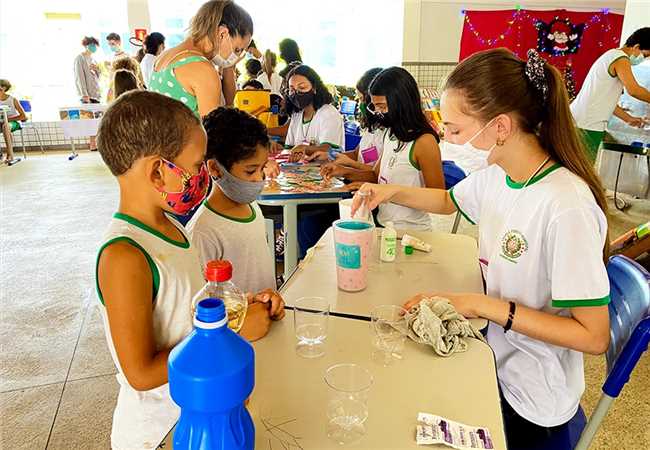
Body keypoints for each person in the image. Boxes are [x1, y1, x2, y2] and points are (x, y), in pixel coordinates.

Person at [352, 49, 610, 450]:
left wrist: (481, 305)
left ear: (501, 127)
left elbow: (594, 336)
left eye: (454, 130)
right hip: (495, 362)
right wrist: (388, 190)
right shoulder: (497, 176)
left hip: (534, 402)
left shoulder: (564, 206)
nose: (446, 139)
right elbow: (446, 201)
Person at [95, 91, 284, 450]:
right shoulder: (125, 256)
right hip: (159, 431)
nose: (202, 175)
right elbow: (140, 372)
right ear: (157, 171)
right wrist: (234, 332)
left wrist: (241, 303)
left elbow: (185, 308)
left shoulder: (171, 227)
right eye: (197, 166)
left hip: (201, 411)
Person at [322, 66, 444, 230]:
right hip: (383, 225)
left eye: (382, 106)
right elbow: (375, 175)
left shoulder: (424, 142)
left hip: (411, 231)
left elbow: (438, 199)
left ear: (402, 102)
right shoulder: (391, 135)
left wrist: (389, 192)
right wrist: (343, 171)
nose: (378, 112)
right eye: (375, 106)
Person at [187, 107, 284, 301]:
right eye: (250, 171)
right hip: (240, 327)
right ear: (215, 168)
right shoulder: (203, 232)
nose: (259, 178)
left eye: (262, 167)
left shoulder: (251, 207)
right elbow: (201, 304)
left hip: (268, 319)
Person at [149, 0, 253, 117]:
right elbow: (217, 128)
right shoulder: (202, 69)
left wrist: (228, 65)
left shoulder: (164, 57)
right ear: (222, 33)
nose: (236, 57)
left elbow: (227, 106)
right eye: (237, 49)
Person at [571, 27, 650, 162]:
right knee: (580, 170)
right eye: (646, 55)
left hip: (581, 121)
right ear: (636, 47)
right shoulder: (620, 58)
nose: (644, 59)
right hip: (587, 124)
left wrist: (628, 118)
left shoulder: (611, 55)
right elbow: (634, 90)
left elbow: (605, 100)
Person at [324, 67, 385, 172]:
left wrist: (349, 165)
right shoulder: (372, 128)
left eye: (361, 99)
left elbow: (377, 173)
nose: (360, 105)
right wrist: (329, 156)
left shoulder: (388, 133)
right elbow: (357, 154)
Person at [283, 64, 344, 161]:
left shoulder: (328, 112)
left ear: (314, 88)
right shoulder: (296, 115)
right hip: (302, 171)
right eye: (292, 90)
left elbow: (327, 149)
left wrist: (304, 148)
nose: (296, 93)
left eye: (302, 88)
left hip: (328, 170)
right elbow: (289, 149)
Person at [0, 79, 26, 166]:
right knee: (4, 125)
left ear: (4, 88)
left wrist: (7, 120)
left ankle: (9, 155)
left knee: (5, 126)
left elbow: (23, 116)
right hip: (2, 122)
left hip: (14, 122)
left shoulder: (12, 99)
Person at [74, 36, 101, 104]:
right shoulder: (80, 58)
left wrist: (97, 69)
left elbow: (98, 77)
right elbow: (80, 77)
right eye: (92, 45)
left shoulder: (93, 59)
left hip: (95, 95)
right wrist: (84, 94)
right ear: (85, 46)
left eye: (95, 45)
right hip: (87, 97)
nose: (94, 47)